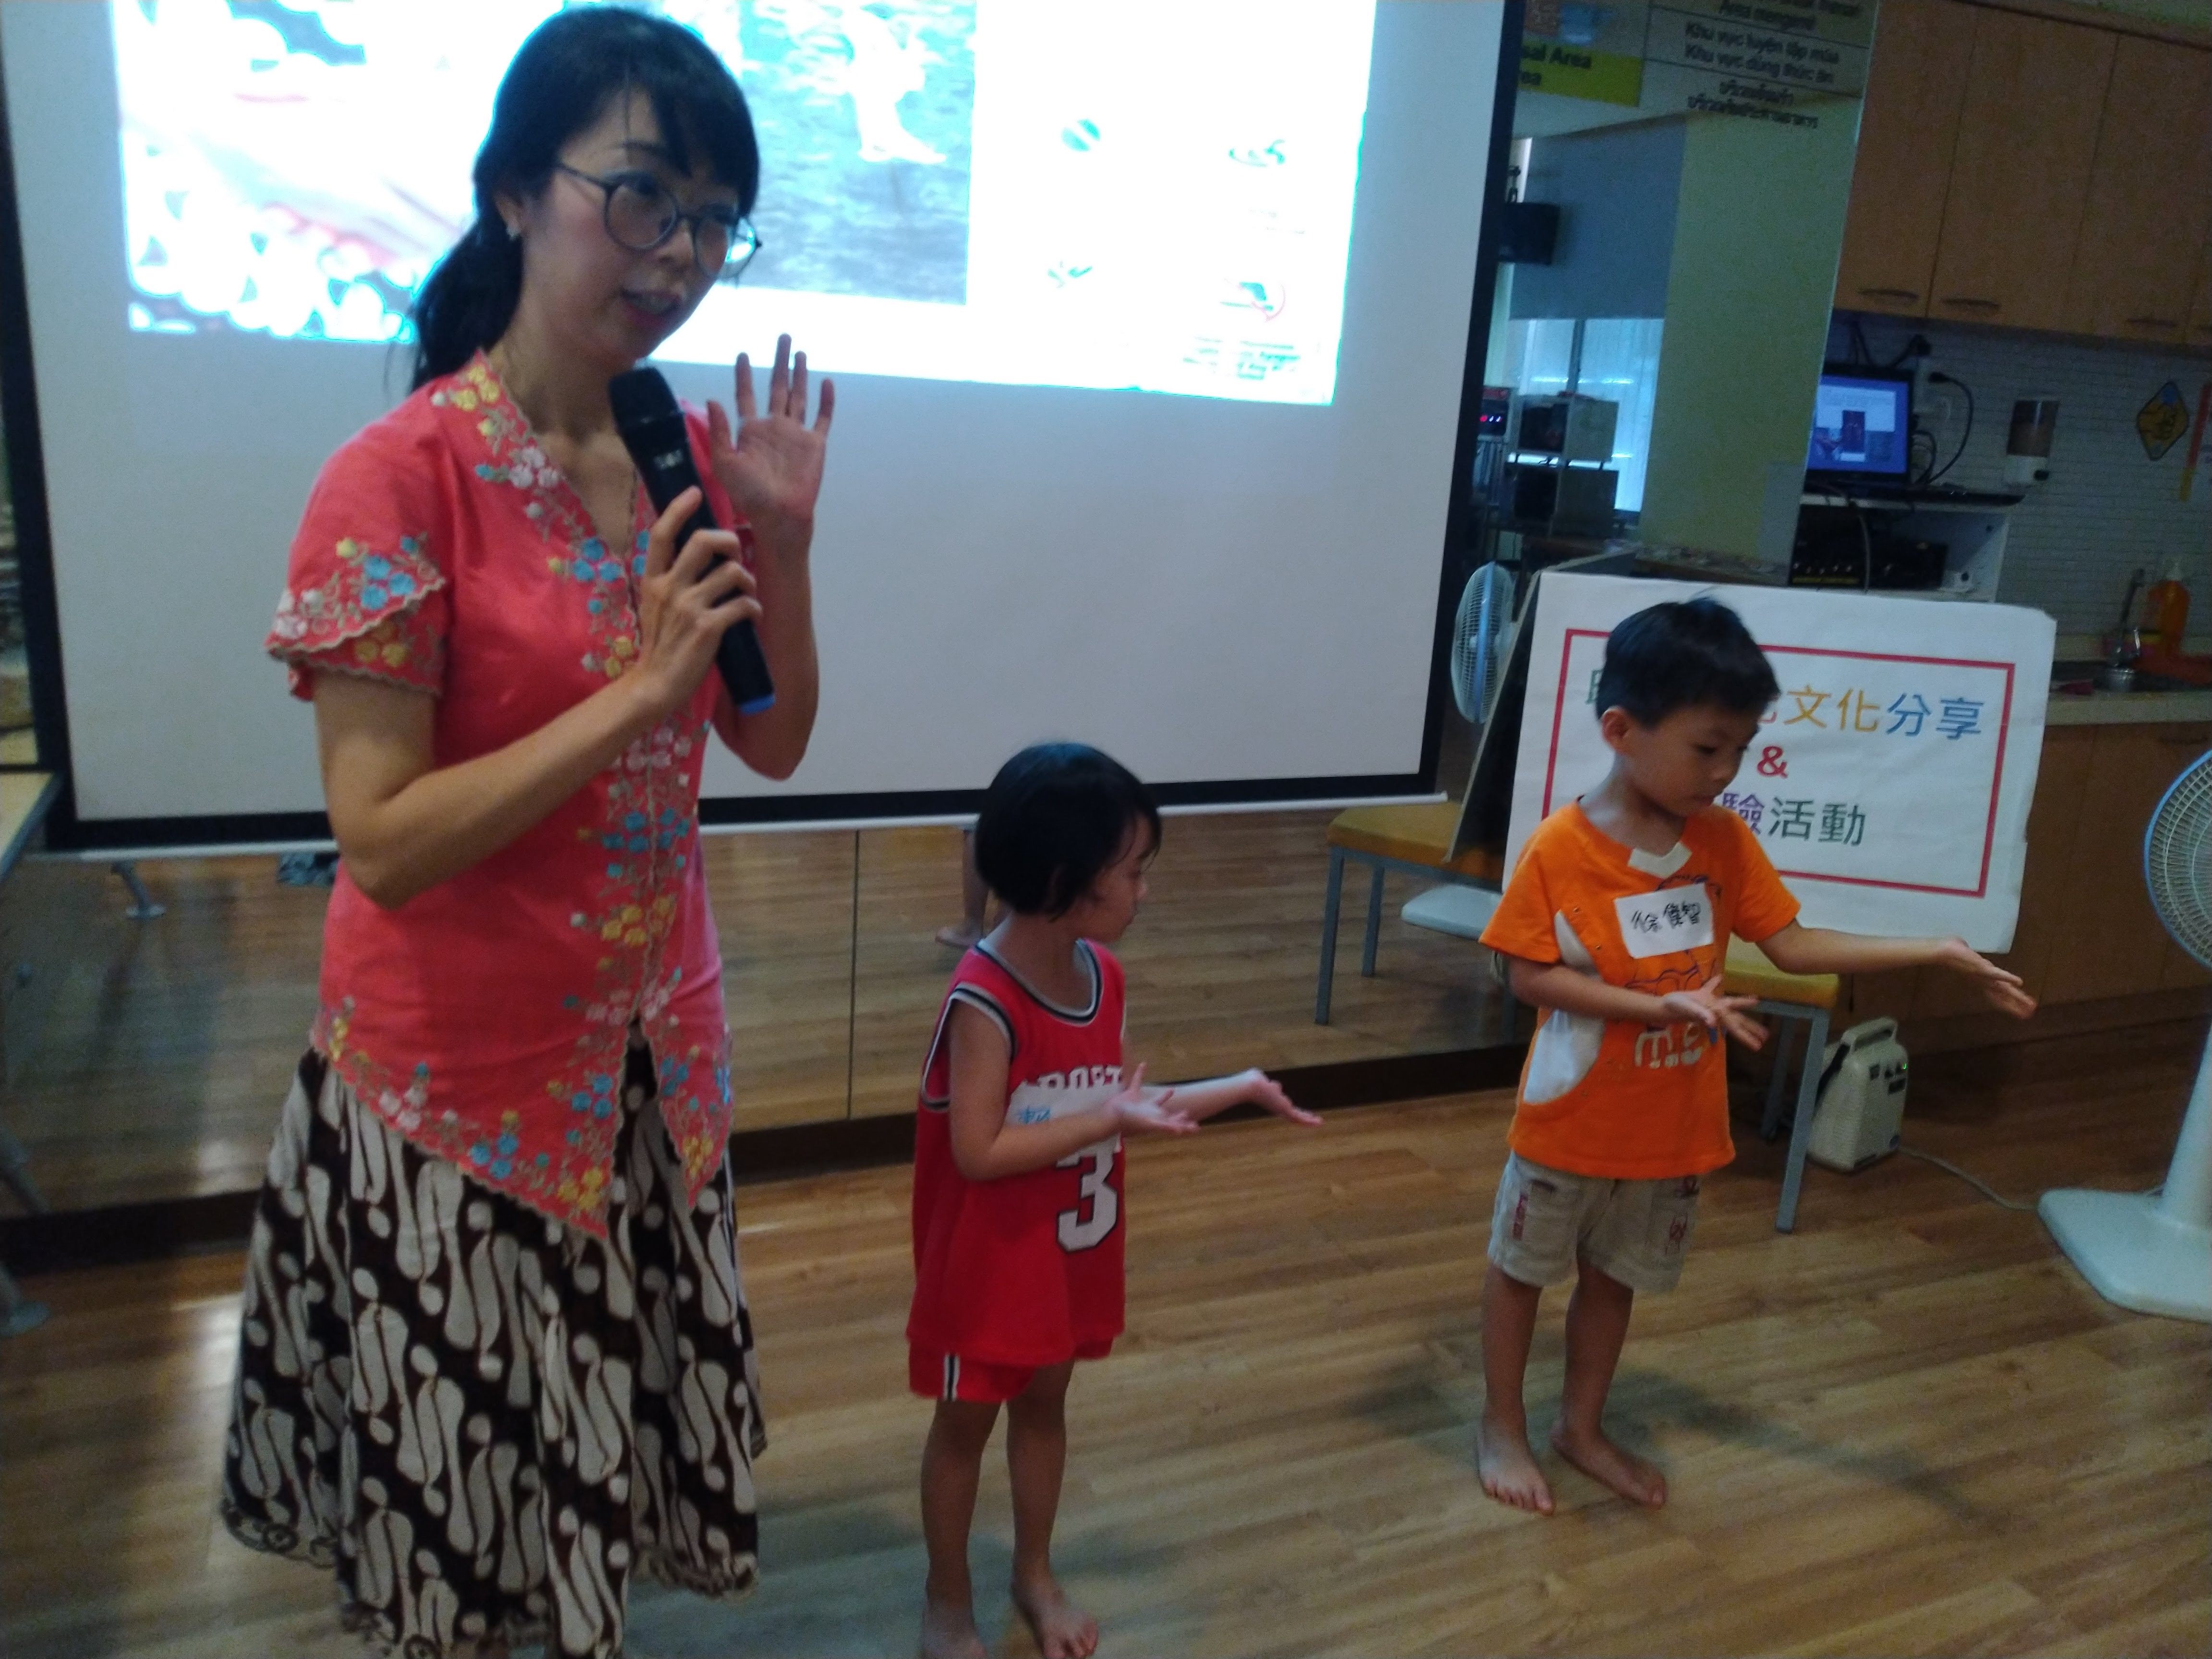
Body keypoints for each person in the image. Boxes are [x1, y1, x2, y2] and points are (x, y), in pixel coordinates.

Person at [218, 12, 834, 1657]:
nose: (681, 254)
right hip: (457, 1106)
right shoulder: (396, 475)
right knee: (463, 1537)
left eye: (711, 215)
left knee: (579, 1500)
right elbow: (384, 841)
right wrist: (635, 698)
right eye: (640, 198)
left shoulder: (680, 454)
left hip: (649, 1079)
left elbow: (769, 738)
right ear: (511, 192)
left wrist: (780, 542)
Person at [1473, 599, 2035, 1516]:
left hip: (1672, 1128)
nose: (1728, 772)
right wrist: (1658, 1004)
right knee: (1523, 1271)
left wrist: (1933, 949)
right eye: (1707, 748)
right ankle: (1502, 1423)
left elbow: (1794, 946)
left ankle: (1580, 1427)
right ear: (1620, 730)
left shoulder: (1723, 843)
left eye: (1741, 747)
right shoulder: (1560, 849)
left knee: (1615, 1282)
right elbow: (1525, 976)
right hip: (1570, 1120)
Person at [909, 744, 1321, 1659]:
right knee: (963, 1425)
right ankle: (946, 1596)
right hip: (985, 1267)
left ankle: (1036, 1573)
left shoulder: (1102, 976)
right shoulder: (984, 998)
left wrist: (1239, 1086)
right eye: (1132, 873)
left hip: (1068, 1252)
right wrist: (1106, 1119)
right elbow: (979, 1152)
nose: (1145, 892)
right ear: (1065, 881)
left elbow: (1124, 1102)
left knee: (1048, 1407)